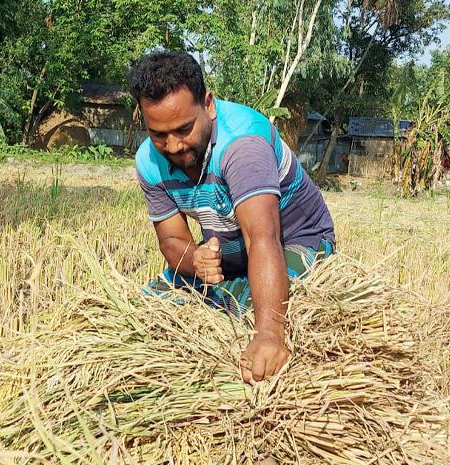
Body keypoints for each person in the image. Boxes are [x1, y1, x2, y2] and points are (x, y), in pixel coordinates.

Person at [130, 51, 336, 384]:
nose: (173, 146)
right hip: (230, 249)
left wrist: (270, 335)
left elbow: (263, 237)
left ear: (208, 105)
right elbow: (171, 240)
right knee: (150, 306)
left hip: (294, 240)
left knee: (254, 312)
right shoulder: (148, 162)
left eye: (183, 129)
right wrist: (194, 259)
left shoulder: (243, 145)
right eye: (158, 134)